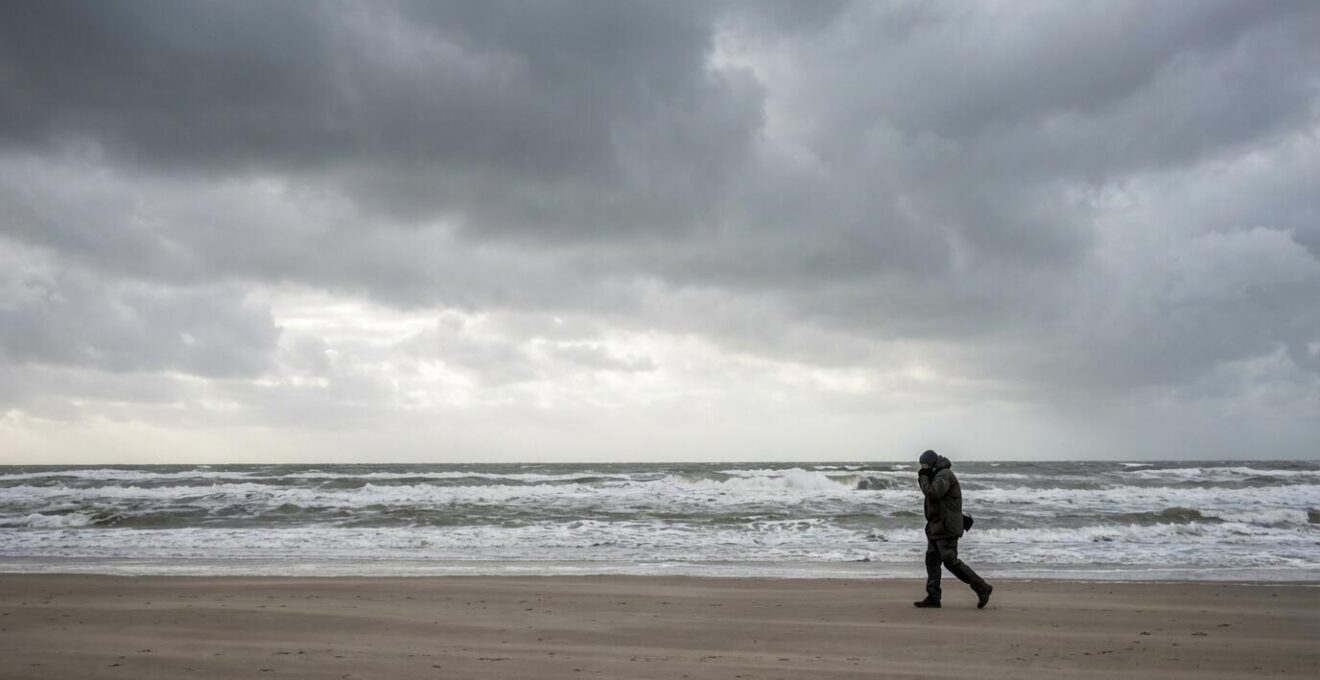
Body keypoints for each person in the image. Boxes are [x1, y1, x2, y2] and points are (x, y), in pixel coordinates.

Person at [914, 449, 993, 609]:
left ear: (933, 463)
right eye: (922, 465)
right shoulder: (935, 475)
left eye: (926, 465)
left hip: (946, 526)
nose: (923, 467)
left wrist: (922, 477)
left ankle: (982, 587)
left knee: (950, 561)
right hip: (935, 526)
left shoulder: (944, 474)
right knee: (932, 561)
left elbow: (933, 492)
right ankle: (933, 597)